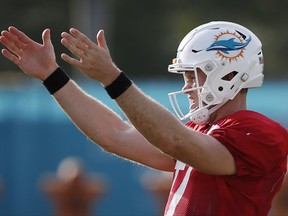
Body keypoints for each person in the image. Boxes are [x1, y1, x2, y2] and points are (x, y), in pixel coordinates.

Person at [1, 21, 287, 216]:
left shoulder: (259, 132)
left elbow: (175, 141)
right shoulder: (206, 131)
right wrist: (52, 75)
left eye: (192, 75)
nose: (187, 86)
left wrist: (111, 77)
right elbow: (115, 135)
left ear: (228, 73)